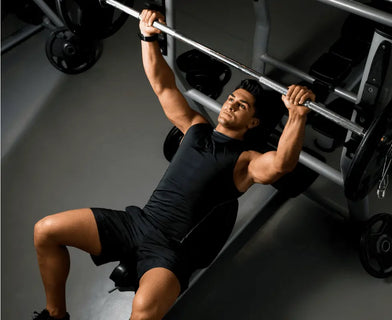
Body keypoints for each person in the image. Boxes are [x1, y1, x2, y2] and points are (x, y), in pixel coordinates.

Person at [32, 9, 315, 320]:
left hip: (168, 252)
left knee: (143, 313)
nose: (232, 103)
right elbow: (163, 85)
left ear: (254, 122)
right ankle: (55, 315)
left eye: (242, 105)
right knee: (46, 230)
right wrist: (147, 36)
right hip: (135, 223)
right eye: (232, 97)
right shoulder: (195, 126)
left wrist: (297, 116)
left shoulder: (245, 162)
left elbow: (281, 165)